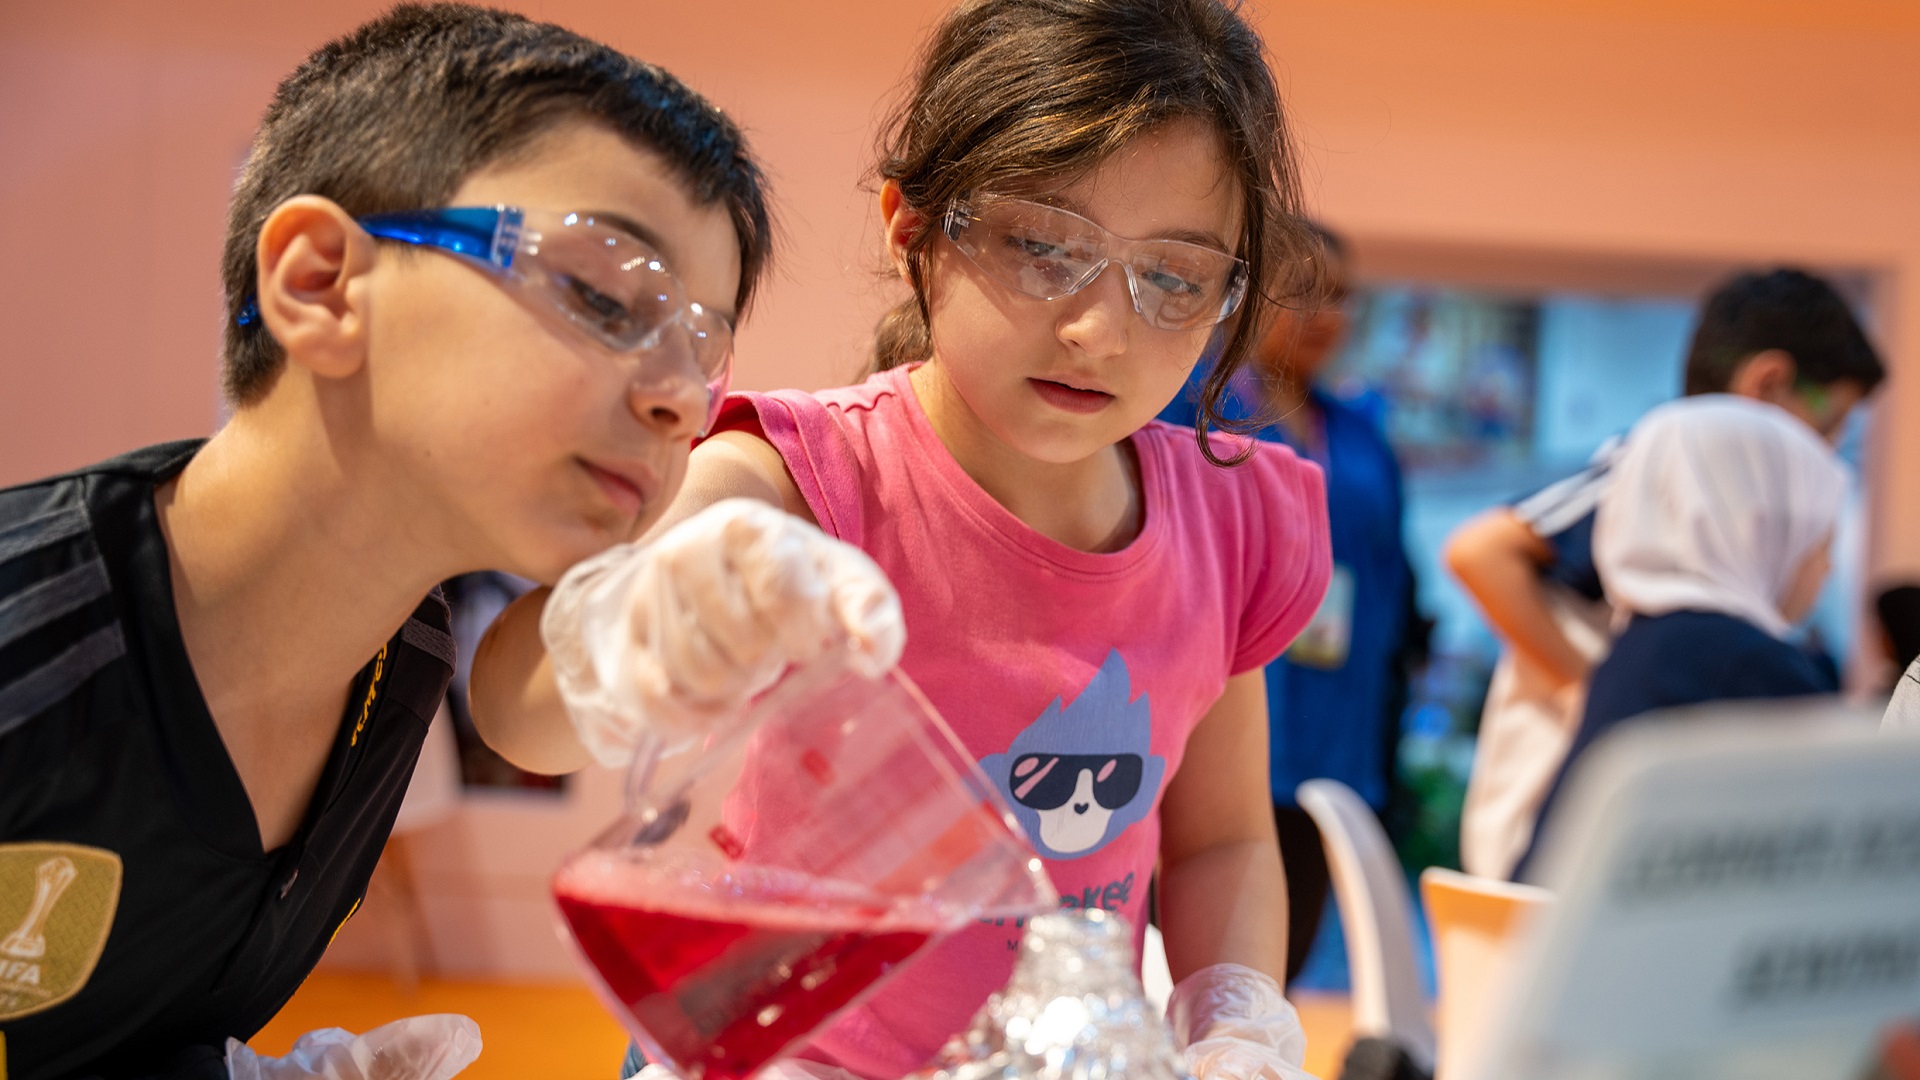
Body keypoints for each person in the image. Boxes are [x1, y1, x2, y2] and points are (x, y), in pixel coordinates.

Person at [474, 1, 1334, 1077]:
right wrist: (629, 628)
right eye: (1041, 247)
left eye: (1173, 277)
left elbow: (1221, 841)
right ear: (911, 225)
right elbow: (521, 718)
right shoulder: (800, 482)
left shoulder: (1230, 524)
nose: (1100, 328)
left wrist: (1238, 1018)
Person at [0, 5, 772, 1076]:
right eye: (603, 295)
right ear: (319, 281)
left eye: (706, 349)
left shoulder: (401, 667)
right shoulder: (27, 633)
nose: (682, 401)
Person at [1444, 268, 1884, 880]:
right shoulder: (1657, 476)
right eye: (1830, 424)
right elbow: (1479, 551)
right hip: (1565, 826)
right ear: (1770, 384)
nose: (1826, 456)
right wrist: (1582, 690)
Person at [1159, 225, 1423, 986]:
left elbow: (1391, 587)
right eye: (1302, 289)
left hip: (1338, 730)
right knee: (1186, 971)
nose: (1324, 313)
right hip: (1214, 723)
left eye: (1340, 296)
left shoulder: (1363, 433)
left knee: (1280, 973)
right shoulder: (1191, 406)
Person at [1512, 395, 1847, 880]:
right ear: (1763, 529)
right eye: (1819, 540)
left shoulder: (1649, 641)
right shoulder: (1749, 664)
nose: (1828, 567)